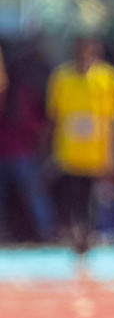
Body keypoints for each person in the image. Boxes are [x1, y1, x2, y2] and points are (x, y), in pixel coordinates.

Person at [45, 37, 114, 253]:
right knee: (70, 196)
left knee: (91, 197)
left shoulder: (108, 79)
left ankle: (86, 236)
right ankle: (74, 234)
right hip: (69, 152)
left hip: (95, 153)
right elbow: (54, 116)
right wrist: (48, 150)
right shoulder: (62, 78)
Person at [0, 39, 55, 243]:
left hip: (21, 155)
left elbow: (38, 125)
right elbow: (38, 126)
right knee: (33, 197)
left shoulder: (22, 95)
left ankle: (46, 231)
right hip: (14, 154)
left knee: (34, 197)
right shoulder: (13, 96)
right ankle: (46, 231)